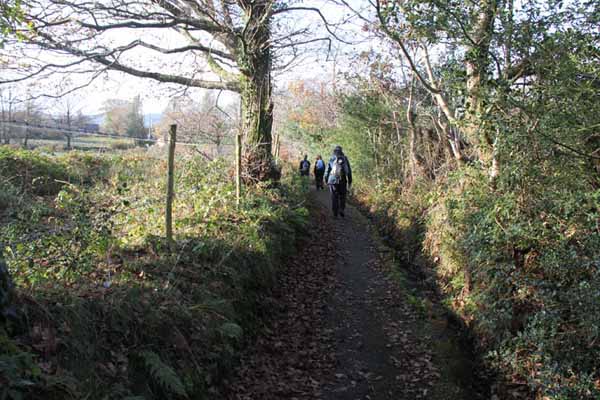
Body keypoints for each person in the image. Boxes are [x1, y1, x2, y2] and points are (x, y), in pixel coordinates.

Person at [325, 145, 352, 218]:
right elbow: (349, 171)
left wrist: (326, 179)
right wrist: (350, 181)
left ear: (334, 151)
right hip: (342, 180)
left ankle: (335, 213)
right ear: (341, 151)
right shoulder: (345, 158)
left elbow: (327, 170)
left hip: (332, 180)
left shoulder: (331, 158)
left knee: (334, 196)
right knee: (342, 196)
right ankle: (341, 209)